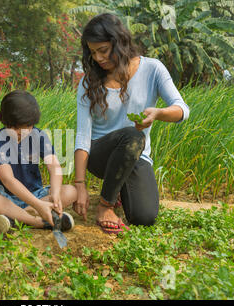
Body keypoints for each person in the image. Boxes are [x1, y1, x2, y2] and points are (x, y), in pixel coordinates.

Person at [73, 14, 190, 234]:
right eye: (93, 52)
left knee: (143, 217)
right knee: (134, 136)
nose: (97, 58)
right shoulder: (89, 82)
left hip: (136, 155)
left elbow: (182, 110)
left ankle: (116, 190)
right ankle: (105, 206)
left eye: (103, 50)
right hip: (100, 154)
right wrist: (80, 185)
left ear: (119, 42)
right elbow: (82, 136)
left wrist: (158, 113)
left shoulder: (152, 69)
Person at [0, 90, 77, 233]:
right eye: (15, 128)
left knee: (70, 191)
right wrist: (38, 205)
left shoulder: (39, 136)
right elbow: (8, 180)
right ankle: (38, 222)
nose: (21, 132)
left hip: (35, 194)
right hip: (6, 198)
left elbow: (54, 166)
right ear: (4, 121)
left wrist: (55, 193)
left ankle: (15, 218)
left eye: (27, 127)